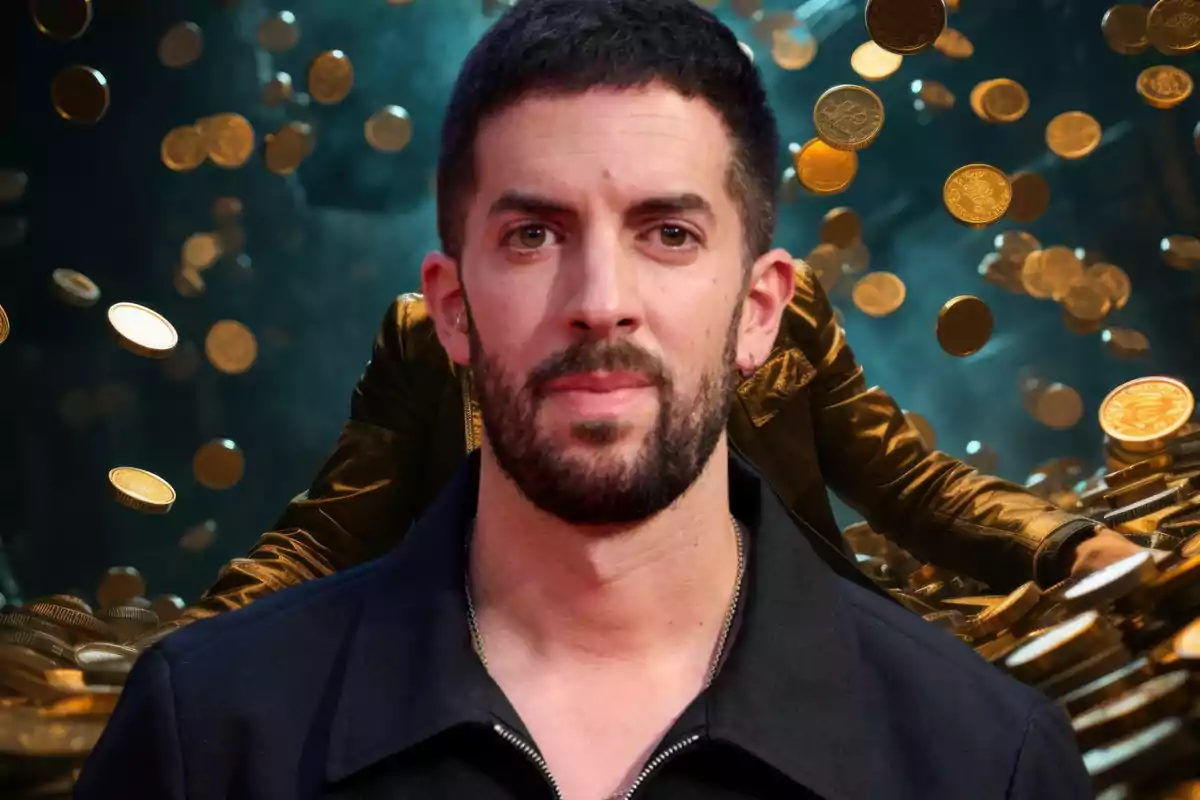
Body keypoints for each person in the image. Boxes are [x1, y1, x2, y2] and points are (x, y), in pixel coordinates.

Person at [78, 2, 1093, 796]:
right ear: (452, 307)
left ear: (760, 308)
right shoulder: (205, 739)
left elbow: (909, 482)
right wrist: (190, 664)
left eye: (668, 233)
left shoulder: (989, 757)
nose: (600, 303)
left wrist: (1068, 545)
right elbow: (322, 534)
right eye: (533, 235)